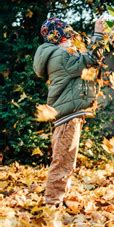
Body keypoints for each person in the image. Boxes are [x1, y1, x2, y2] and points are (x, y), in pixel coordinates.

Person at [33, 17, 104, 206]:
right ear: (61, 38)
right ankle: (52, 202)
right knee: (63, 161)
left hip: (69, 117)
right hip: (67, 118)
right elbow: (91, 59)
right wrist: (98, 33)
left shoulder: (59, 54)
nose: (72, 40)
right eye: (68, 36)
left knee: (67, 159)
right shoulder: (61, 56)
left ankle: (60, 199)